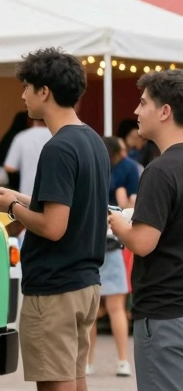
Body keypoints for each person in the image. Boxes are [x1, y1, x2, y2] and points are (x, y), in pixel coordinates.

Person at [0, 48, 108, 391]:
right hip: (85, 282)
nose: (22, 96)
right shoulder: (93, 142)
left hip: (56, 287)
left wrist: (13, 209)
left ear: (44, 92)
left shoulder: (58, 147)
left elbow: (54, 226)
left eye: (26, 87)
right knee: (76, 390)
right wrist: (17, 199)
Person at [109, 71, 183, 391]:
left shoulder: (160, 170)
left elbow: (144, 240)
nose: (136, 110)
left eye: (143, 101)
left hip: (164, 306)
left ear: (165, 111)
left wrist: (118, 224)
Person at [87, 136, 138, 378]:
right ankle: (122, 361)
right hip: (113, 243)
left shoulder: (94, 166)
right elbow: (130, 203)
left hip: (96, 243)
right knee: (115, 307)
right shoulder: (128, 168)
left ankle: (90, 362)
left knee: (95, 309)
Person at [1, 117, 51, 200]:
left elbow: (10, 168)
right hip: (53, 197)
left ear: (29, 119)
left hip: (27, 196)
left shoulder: (21, 137)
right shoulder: (58, 136)